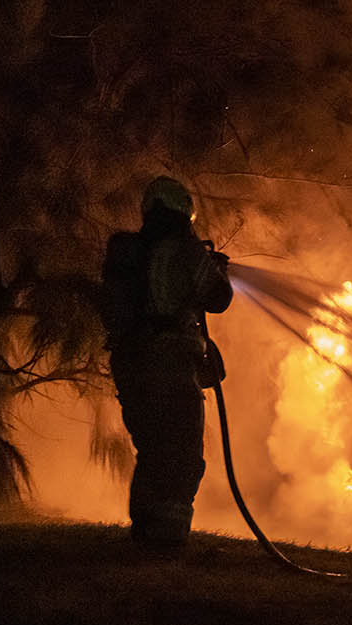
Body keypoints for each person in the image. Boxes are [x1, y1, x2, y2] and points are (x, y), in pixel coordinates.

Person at [101, 176, 232, 553]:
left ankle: (145, 531)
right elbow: (218, 298)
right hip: (171, 364)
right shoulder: (188, 252)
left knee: (152, 449)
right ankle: (169, 538)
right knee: (183, 451)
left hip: (130, 365)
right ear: (185, 213)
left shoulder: (123, 251)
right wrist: (216, 268)